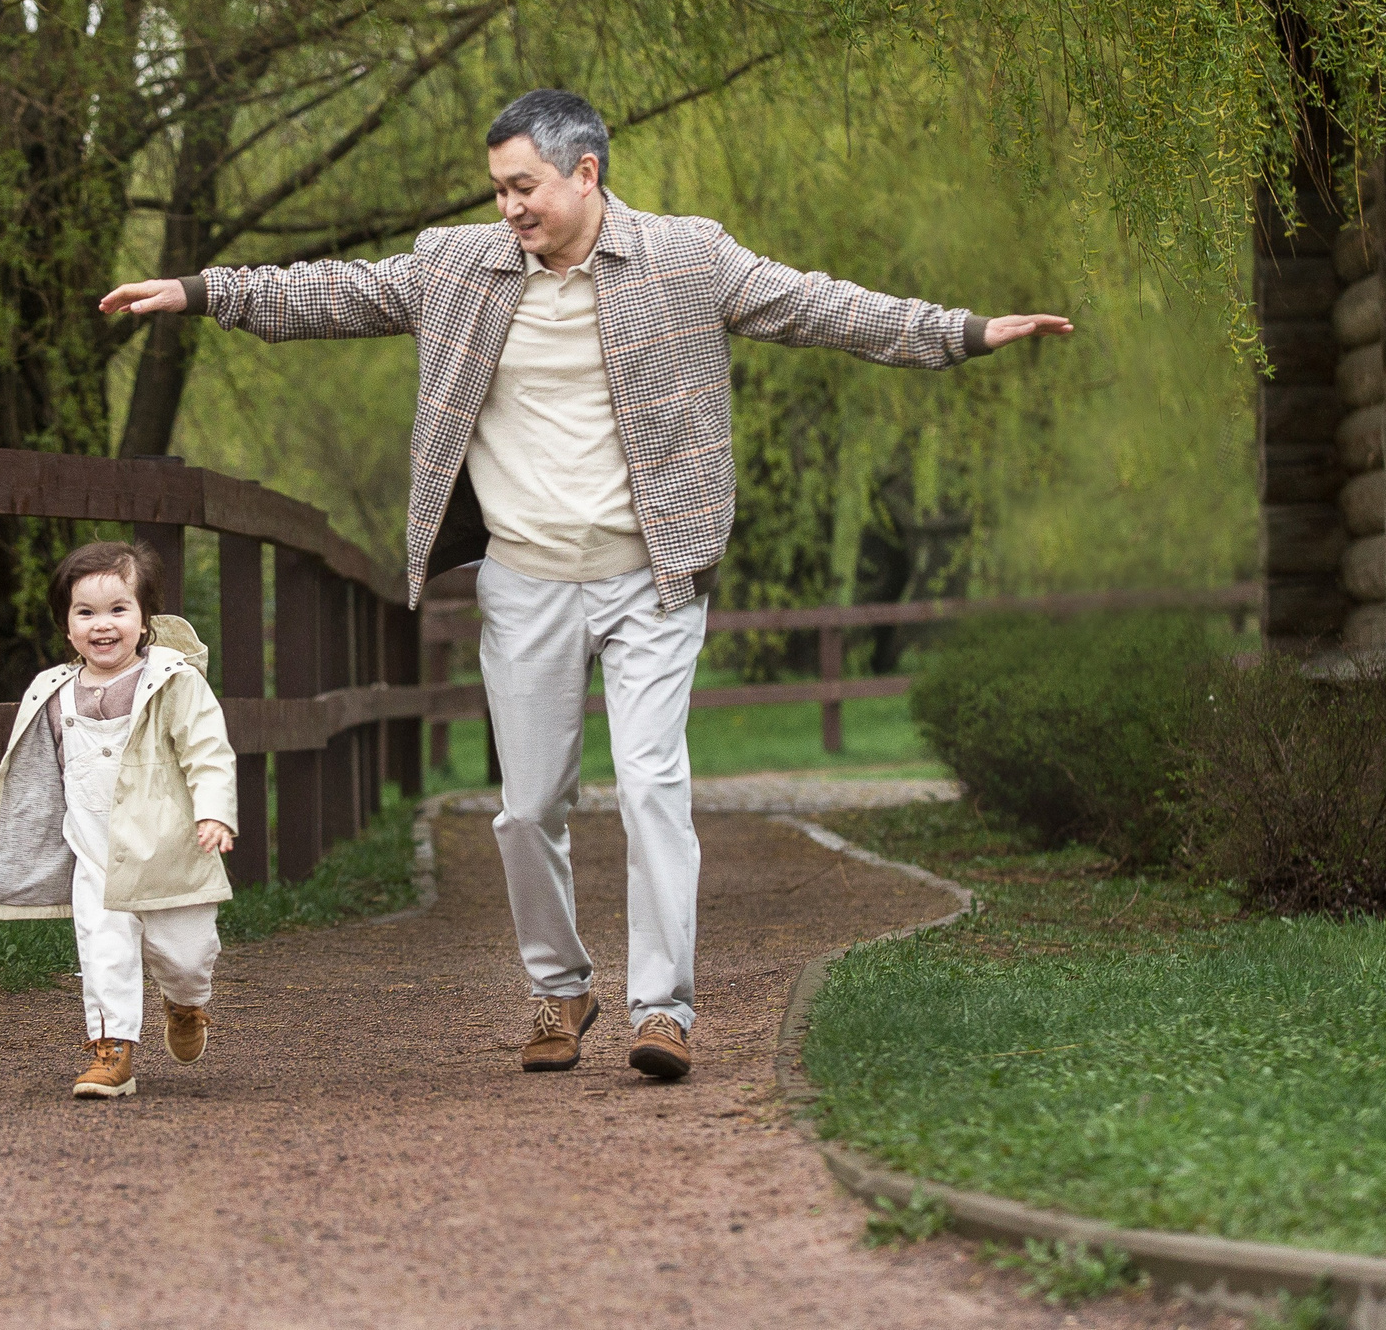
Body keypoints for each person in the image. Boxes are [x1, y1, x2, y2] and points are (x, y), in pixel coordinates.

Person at [100, 88, 1072, 1082]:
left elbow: (819, 306)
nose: (508, 206)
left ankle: (664, 1010)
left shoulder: (686, 259)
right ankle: (559, 989)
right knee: (527, 808)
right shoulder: (458, 267)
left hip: (653, 575)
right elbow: (336, 293)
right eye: (498, 189)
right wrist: (201, 291)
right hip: (524, 580)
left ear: (585, 173)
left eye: (523, 186)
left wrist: (959, 331)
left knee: (653, 786)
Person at [0, 539, 240, 1099]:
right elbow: (36, 775)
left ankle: (186, 1004)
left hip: (170, 850)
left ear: (144, 619)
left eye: (118, 609)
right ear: (67, 627)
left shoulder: (175, 682)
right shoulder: (52, 693)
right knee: (103, 948)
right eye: (85, 613)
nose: (102, 625)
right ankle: (111, 1051)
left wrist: (214, 812)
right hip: (95, 853)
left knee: (187, 956)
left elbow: (208, 750)